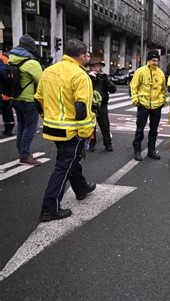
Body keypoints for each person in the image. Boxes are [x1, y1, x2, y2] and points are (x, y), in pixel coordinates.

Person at [34, 38, 97, 222]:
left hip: (53, 127)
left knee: (69, 160)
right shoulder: (80, 75)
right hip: (72, 130)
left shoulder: (48, 71)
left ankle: (81, 188)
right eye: (87, 55)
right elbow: (81, 107)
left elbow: (38, 99)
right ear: (82, 56)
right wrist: (86, 132)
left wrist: (46, 118)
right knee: (64, 165)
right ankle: (49, 208)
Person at [9, 35, 43, 165]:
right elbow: (41, 81)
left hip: (15, 98)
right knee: (29, 128)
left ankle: (23, 152)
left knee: (21, 127)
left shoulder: (11, 59)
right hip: (28, 100)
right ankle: (25, 155)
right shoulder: (31, 63)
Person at [129, 50, 166, 161]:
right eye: (153, 60)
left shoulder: (160, 73)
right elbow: (133, 86)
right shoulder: (140, 71)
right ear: (148, 60)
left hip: (156, 106)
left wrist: (162, 100)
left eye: (157, 60)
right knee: (140, 129)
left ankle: (151, 150)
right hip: (143, 104)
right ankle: (137, 150)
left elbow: (163, 89)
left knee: (154, 129)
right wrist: (136, 100)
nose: (155, 62)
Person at [88, 57, 116, 151]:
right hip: (90, 105)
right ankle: (91, 143)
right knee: (91, 126)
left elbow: (113, 89)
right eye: (94, 66)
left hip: (102, 105)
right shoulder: (86, 77)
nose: (97, 68)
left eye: (98, 66)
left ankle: (108, 143)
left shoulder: (103, 77)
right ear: (91, 67)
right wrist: (90, 78)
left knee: (104, 125)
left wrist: (105, 80)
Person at [0, 50, 15, 137]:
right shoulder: (5, 59)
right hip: (5, 92)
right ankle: (8, 129)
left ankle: (8, 129)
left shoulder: (3, 59)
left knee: (7, 111)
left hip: (3, 92)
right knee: (7, 112)